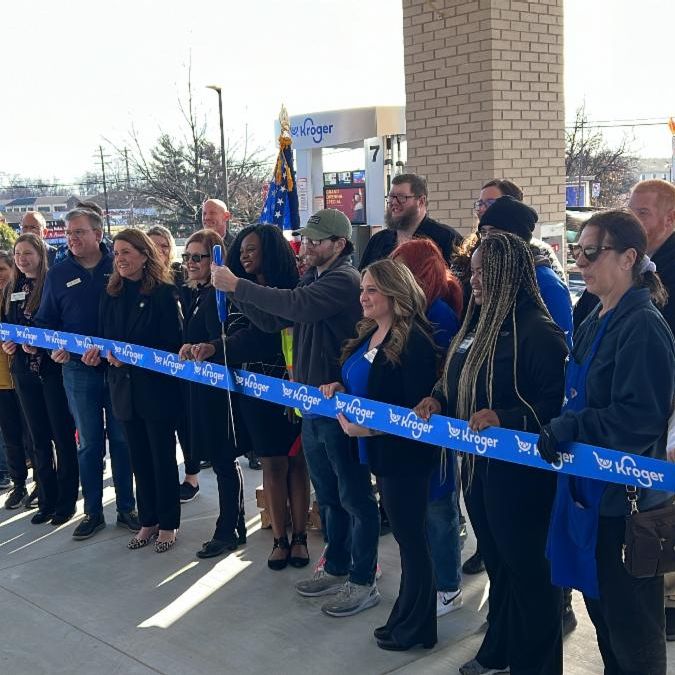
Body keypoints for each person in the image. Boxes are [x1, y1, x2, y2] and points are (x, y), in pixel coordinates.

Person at [212, 209, 381, 618]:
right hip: (311, 404)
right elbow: (275, 320)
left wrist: (238, 285)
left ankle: (363, 579)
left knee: (354, 496)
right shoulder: (314, 278)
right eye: (306, 239)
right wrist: (235, 293)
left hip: (338, 408)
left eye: (316, 241)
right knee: (329, 496)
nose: (307, 246)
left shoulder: (344, 280)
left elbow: (296, 305)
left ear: (339, 244)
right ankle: (337, 565)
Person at [415, 232, 568, 675]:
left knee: (530, 576)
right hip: (479, 470)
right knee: (500, 568)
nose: (475, 279)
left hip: (523, 477)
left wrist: (507, 417)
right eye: (473, 270)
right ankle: (498, 650)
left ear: (511, 274)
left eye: (485, 271)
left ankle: (535, 666)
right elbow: (456, 376)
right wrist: (438, 398)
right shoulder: (477, 322)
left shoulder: (538, 331)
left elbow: (558, 405)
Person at [539, 209, 674, 675]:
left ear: (629, 258)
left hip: (626, 505)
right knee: (605, 621)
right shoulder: (597, 316)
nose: (580, 262)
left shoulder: (643, 325)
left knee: (633, 632)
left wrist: (575, 426)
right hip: (589, 494)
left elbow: (641, 418)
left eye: (592, 252)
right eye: (578, 252)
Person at [321, 259, 440, 649]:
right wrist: (340, 387)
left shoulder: (415, 340)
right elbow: (366, 384)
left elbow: (414, 411)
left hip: (406, 457)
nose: (363, 297)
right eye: (362, 289)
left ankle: (417, 626)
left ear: (394, 292)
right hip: (380, 455)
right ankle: (406, 618)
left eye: (371, 289)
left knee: (412, 541)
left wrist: (369, 429)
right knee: (407, 539)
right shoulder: (370, 334)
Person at [35, 207, 138, 540]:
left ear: (98, 233)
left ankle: (127, 508)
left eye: (79, 232)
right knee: (90, 444)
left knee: (122, 441)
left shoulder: (118, 265)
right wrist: (54, 349)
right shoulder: (58, 274)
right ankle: (93, 512)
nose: (72, 238)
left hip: (118, 370)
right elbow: (45, 323)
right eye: (68, 233)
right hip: (78, 371)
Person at [219, 224, 310, 570]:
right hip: (254, 389)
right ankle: (279, 539)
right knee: (272, 464)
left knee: (297, 464)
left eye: (252, 249)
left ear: (269, 251)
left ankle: (300, 537)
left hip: (291, 386)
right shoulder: (233, 289)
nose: (244, 255)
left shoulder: (292, 290)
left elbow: (271, 331)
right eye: (241, 250)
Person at [92, 229, 183, 552]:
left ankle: (168, 524)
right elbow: (104, 338)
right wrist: (100, 356)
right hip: (124, 392)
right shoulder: (110, 294)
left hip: (156, 392)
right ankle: (148, 521)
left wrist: (132, 356)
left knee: (162, 460)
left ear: (145, 255)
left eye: (127, 252)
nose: (120, 259)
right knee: (139, 461)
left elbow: (172, 345)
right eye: (116, 253)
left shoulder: (164, 294)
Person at [391, 238, 465, 618]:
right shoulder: (409, 312)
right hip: (410, 426)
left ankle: (448, 587)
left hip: (435, 426)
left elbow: (447, 375)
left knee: (439, 508)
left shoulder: (440, 314)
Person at [2, 234, 79, 525]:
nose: (22, 259)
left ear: (41, 255)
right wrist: (8, 342)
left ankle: (66, 501)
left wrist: (42, 346)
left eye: (28, 253)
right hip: (23, 371)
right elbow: (8, 325)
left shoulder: (52, 283)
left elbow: (62, 325)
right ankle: (46, 499)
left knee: (62, 437)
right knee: (38, 439)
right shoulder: (12, 287)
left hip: (52, 370)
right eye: (18, 254)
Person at [179, 229, 247, 559]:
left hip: (219, 389)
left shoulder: (220, 295)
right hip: (200, 386)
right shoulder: (196, 293)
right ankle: (234, 523)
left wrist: (208, 347)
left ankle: (228, 529)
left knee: (223, 459)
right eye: (187, 256)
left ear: (215, 260)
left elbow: (228, 337)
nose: (190, 263)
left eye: (198, 257)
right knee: (220, 460)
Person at [358, 173, 462, 269]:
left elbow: (459, 280)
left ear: (421, 201)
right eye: (391, 197)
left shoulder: (447, 239)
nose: (394, 202)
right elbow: (363, 278)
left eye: (401, 197)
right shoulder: (378, 241)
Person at [0, 250, 36, 507]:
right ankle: (18, 484)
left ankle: (42, 484)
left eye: (2, 270)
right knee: (11, 436)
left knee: (34, 436)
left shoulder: (22, 295)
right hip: (2, 381)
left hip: (26, 375)